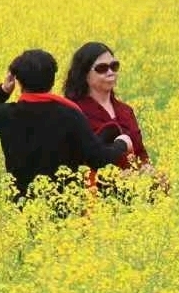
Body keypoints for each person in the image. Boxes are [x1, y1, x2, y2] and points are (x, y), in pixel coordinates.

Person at [0, 49, 130, 201]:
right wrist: (121, 143)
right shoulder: (70, 114)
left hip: (21, 208)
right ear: (53, 80)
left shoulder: (7, 115)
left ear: (18, 81)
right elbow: (98, 158)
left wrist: (4, 90)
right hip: (65, 208)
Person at [63, 41, 160, 186]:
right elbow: (75, 162)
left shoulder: (126, 111)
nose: (110, 72)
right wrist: (115, 177)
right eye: (102, 68)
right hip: (95, 190)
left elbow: (140, 153)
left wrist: (146, 169)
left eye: (114, 66)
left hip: (135, 188)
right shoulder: (74, 111)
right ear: (84, 74)